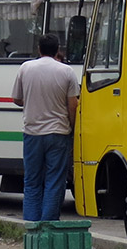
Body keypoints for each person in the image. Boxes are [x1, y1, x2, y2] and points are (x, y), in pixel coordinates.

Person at [11, 33, 79, 222]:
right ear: (58, 50)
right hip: (58, 134)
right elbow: (73, 105)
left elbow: (16, 98)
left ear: (39, 49)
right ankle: (48, 228)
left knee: (32, 183)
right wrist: (71, 129)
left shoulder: (26, 68)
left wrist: (32, 103)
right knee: (54, 182)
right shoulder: (67, 72)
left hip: (32, 134)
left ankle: (31, 230)